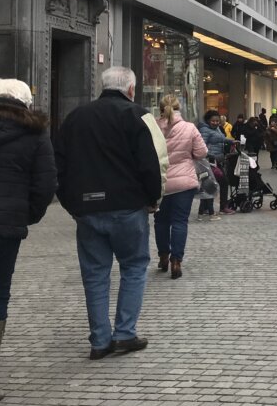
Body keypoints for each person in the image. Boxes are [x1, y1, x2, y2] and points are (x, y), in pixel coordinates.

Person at [55, 67, 168, 360]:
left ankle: (99, 340)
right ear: (131, 89)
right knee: (133, 267)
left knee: (94, 274)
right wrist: (153, 199)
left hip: (87, 209)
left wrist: (71, 204)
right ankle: (125, 334)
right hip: (128, 207)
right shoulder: (137, 116)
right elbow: (151, 163)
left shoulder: (75, 118)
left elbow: (59, 164)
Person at [0, 79, 57, 404]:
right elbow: (45, 184)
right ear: (25, 102)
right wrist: (24, 215)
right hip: (5, 229)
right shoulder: (34, 132)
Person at [154, 95, 206, 280]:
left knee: (160, 222)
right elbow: (201, 152)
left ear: (160, 108)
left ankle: (163, 257)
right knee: (179, 222)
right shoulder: (189, 128)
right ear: (179, 108)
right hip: (184, 183)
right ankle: (177, 261)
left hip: (160, 182)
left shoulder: (153, 128)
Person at [197, 110, 234, 218]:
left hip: (217, 160)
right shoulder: (204, 130)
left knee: (212, 183)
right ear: (208, 120)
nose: (215, 123)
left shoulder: (216, 129)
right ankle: (218, 208)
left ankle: (205, 209)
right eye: (213, 121)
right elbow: (201, 145)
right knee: (218, 182)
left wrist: (231, 142)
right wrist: (209, 155)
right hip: (209, 161)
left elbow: (221, 138)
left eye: (217, 121)